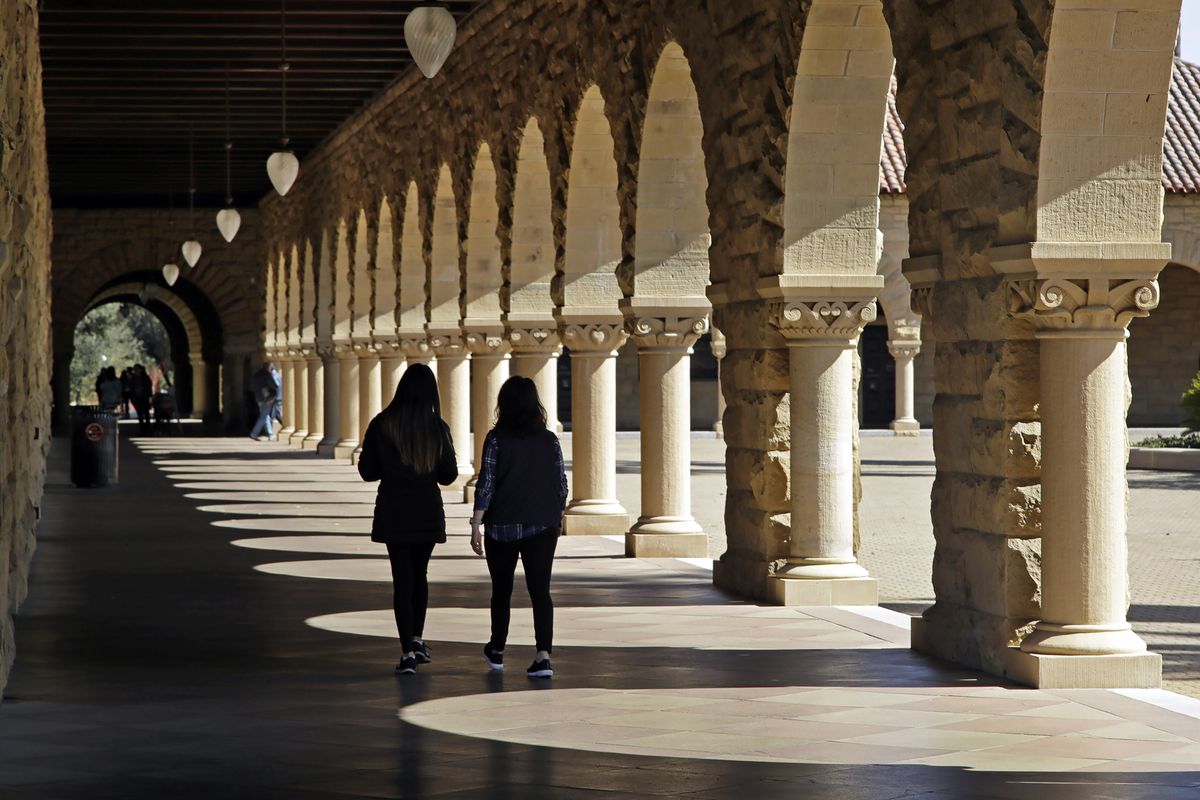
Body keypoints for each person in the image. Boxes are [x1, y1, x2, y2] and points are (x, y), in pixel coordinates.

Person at [357, 364, 457, 675]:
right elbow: (449, 475)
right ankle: (417, 638)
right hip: (426, 510)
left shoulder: (382, 424)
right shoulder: (437, 427)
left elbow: (367, 471)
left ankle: (406, 652)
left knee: (402, 579)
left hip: (394, 510)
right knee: (420, 575)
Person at [470, 376, 568, 679]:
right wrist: (556, 515)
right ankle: (543, 656)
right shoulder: (549, 439)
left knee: (501, 590)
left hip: (502, 525)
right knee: (541, 591)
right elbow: (561, 484)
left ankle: (497, 649)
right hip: (541, 524)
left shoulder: (496, 438)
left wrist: (476, 523)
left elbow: (486, 482)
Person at [249, 362, 278, 441]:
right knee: (263, 416)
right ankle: (254, 433)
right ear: (269, 368)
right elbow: (274, 385)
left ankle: (270, 434)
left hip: (259, 398)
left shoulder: (257, 375)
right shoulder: (267, 375)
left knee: (265, 416)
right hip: (267, 398)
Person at [129, 364, 153, 434]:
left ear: (140, 369)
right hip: (137, 398)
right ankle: (142, 429)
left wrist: (148, 395)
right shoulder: (133, 378)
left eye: (137, 368)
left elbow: (149, 386)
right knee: (140, 414)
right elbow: (131, 387)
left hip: (144, 397)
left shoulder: (145, 377)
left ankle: (148, 429)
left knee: (146, 413)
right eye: (134, 369)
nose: (135, 370)